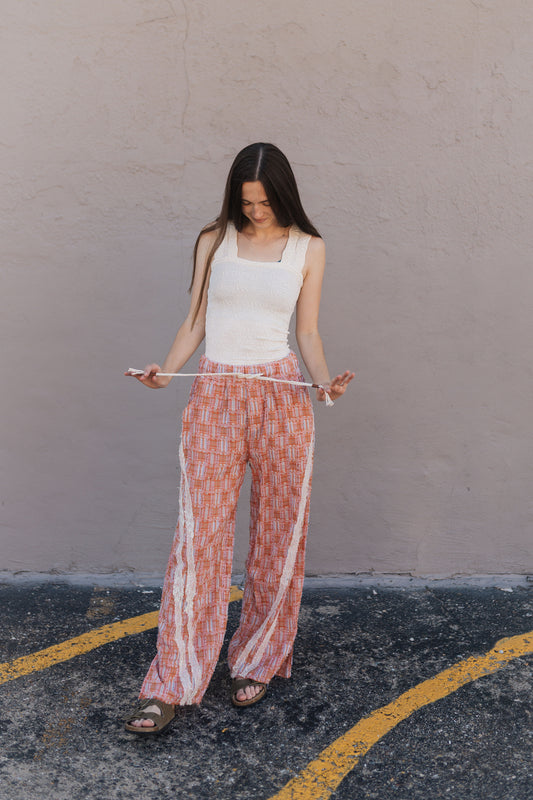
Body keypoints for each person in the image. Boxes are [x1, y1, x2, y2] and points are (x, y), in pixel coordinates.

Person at [123, 142, 354, 734]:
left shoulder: (309, 247)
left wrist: (325, 385)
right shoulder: (213, 240)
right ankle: (172, 679)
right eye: (246, 201)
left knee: (279, 533)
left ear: (284, 195)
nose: (254, 211)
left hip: (281, 396)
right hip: (216, 394)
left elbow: (307, 329)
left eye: (264, 201)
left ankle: (258, 656)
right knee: (199, 537)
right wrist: (164, 371)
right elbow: (196, 319)